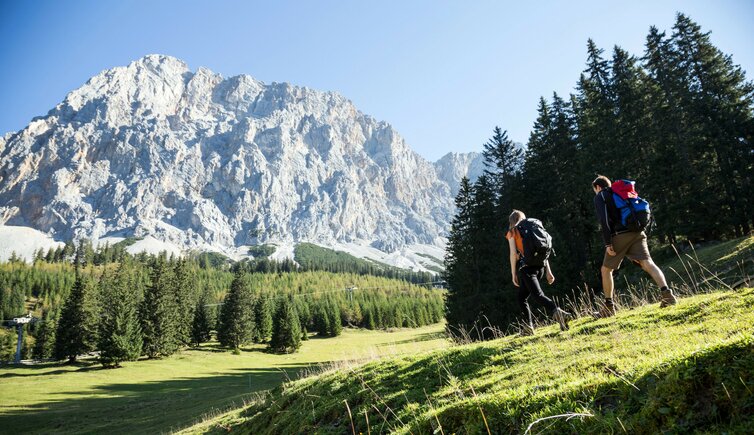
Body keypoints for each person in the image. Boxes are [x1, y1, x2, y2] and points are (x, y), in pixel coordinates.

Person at [592, 175, 677, 317]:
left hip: (620, 235)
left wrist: (608, 243)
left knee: (606, 270)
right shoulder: (620, 193)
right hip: (637, 231)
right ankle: (667, 295)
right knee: (647, 262)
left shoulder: (601, 196)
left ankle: (609, 307)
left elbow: (604, 220)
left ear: (598, 187)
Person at [506, 210, 571, 335]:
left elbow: (513, 254)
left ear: (512, 221)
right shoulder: (533, 227)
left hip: (527, 268)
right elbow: (542, 250)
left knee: (538, 295)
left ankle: (558, 312)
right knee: (521, 297)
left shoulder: (512, 232)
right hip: (540, 267)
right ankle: (528, 327)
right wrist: (548, 272)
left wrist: (513, 273)